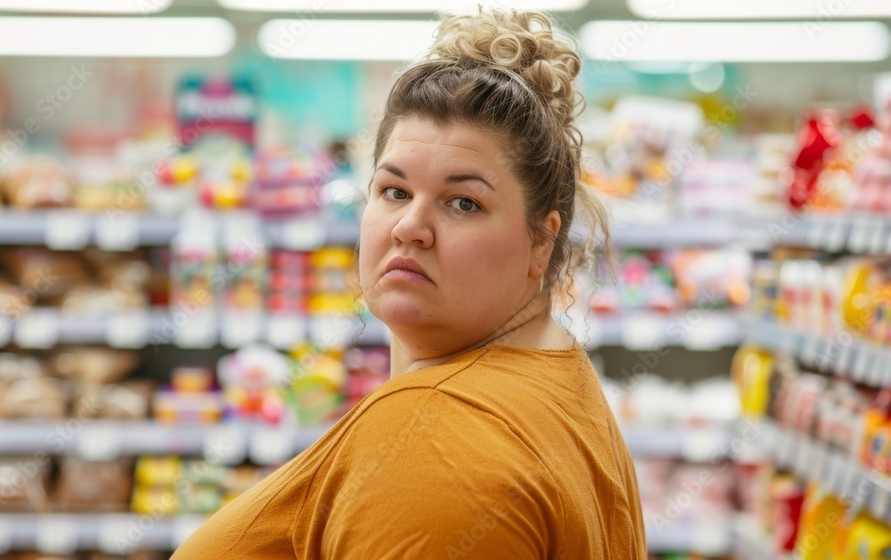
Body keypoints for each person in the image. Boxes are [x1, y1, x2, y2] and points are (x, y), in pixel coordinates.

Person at [174, 9, 647, 559]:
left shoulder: (436, 436)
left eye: (463, 202)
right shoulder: (560, 384)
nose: (409, 227)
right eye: (394, 191)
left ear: (542, 241)